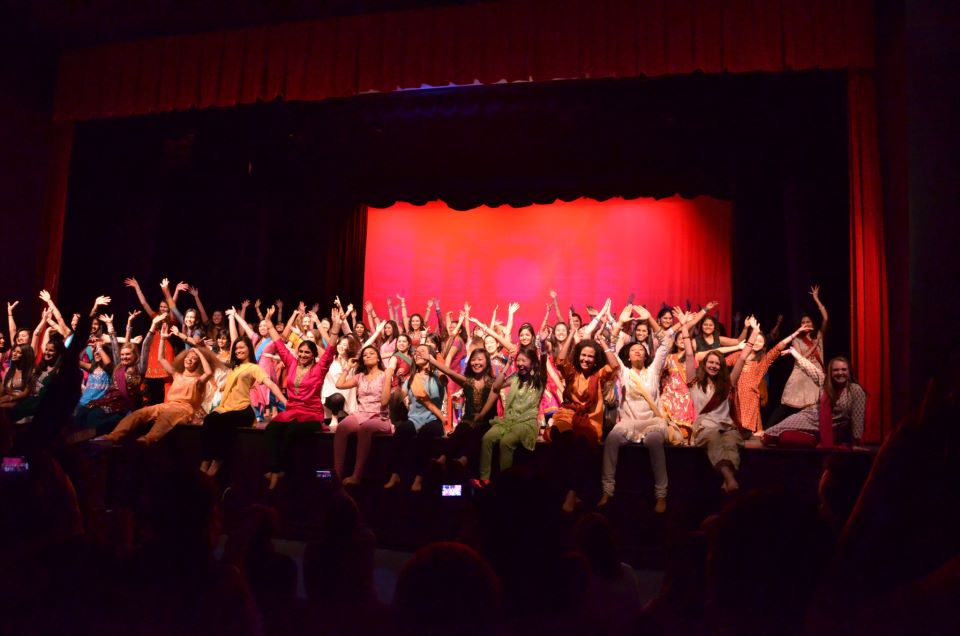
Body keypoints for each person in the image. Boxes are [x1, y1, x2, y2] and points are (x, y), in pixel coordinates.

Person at [599, 322, 681, 512]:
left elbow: (664, 343)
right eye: (633, 350)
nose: (637, 351)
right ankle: (607, 491)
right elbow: (611, 349)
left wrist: (650, 319)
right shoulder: (624, 373)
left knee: (654, 442)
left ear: (646, 355)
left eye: (641, 349)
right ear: (627, 356)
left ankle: (661, 495)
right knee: (611, 440)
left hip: (652, 422)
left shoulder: (653, 371)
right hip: (629, 422)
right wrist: (619, 323)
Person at [95, 322, 216, 445]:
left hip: (184, 409)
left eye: (193, 358)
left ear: (198, 363)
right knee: (139, 413)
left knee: (166, 417)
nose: (189, 359)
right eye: (188, 356)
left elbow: (209, 372)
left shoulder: (198, 380)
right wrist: (162, 339)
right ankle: (112, 437)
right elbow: (161, 359)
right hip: (168, 405)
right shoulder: (177, 374)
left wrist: (199, 352)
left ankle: (147, 439)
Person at [263, 305, 341, 490]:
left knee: (291, 433)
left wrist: (336, 325)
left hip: (311, 414)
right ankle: (276, 469)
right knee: (271, 429)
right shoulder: (291, 363)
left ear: (314, 356)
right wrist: (268, 322)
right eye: (301, 351)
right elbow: (280, 345)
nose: (303, 354)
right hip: (292, 411)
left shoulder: (319, 369)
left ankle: (281, 471)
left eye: (308, 352)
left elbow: (330, 349)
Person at [682, 317, 757, 493]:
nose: (714, 366)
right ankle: (730, 479)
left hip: (726, 426)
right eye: (711, 362)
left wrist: (754, 332)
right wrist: (685, 329)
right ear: (704, 364)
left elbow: (742, 357)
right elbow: (689, 354)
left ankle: (727, 480)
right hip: (705, 428)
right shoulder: (694, 382)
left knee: (732, 442)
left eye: (717, 363)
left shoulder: (727, 383)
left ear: (721, 366)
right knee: (714, 438)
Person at [199, 329, 286, 477]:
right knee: (209, 419)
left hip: (243, 409)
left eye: (242, 347)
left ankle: (217, 461)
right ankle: (205, 461)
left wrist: (286, 402)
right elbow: (228, 384)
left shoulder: (254, 367)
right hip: (227, 407)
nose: (238, 350)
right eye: (236, 348)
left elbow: (270, 384)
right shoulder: (234, 369)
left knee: (219, 420)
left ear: (249, 349)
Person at [477, 346, 546, 484]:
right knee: (487, 438)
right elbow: (496, 387)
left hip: (526, 422)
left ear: (532, 363)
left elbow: (543, 365)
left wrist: (543, 345)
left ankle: (505, 481)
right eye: (518, 360)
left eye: (524, 360)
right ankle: (484, 479)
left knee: (506, 442)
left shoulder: (538, 379)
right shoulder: (515, 377)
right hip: (508, 420)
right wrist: (508, 364)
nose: (520, 363)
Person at [762, 355, 866, 447]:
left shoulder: (855, 390)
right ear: (831, 372)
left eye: (844, 370)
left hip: (825, 430)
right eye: (836, 370)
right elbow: (811, 369)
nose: (840, 373)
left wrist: (856, 442)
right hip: (809, 417)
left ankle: (815, 440)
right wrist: (795, 353)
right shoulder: (826, 383)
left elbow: (858, 417)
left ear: (849, 372)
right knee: (768, 437)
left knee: (786, 438)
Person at [384, 342, 446, 492]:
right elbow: (399, 398)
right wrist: (396, 382)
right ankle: (395, 474)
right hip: (414, 419)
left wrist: (432, 360)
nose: (418, 354)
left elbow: (446, 375)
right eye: (416, 352)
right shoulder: (411, 379)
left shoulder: (439, 375)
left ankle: (419, 478)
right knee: (401, 433)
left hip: (433, 419)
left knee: (425, 436)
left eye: (422, 352)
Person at [425, 347, 496, 476]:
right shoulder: (468, 381)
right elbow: (449, 372)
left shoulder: (493, 383)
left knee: (476, 434)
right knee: (459, 432)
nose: (476, 362)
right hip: (467, 421)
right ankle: (442, 460)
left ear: (487, 362)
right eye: (473, 360)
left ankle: (463, 461)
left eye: (480, 359)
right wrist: (430, 360)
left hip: (486, 423)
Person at [769, 285, 829, 427]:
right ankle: (768, 428)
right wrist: (814, 346)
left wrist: (816, 299)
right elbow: (800, 357)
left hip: (816, 372)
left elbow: (826, 318)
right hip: (800, 372)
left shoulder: (819, 334)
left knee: (813, 405)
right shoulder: (797, 339)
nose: (805, 324)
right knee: (787, 404)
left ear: (813, 323)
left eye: (808, 321)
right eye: (803, 322)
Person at [333, 345, 394, 485]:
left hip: (379, 416)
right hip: (361, 413)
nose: (367, 356)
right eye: (365, 354)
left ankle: (356, 476)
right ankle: (337, 473)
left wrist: (389, 375)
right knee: (342, 427)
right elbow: (339, 385)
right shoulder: (360, 376)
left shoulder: (385, 375)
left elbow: (384, 401)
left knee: (365, 428)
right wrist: (347, 368)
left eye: (371, 353)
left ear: (378, 358)